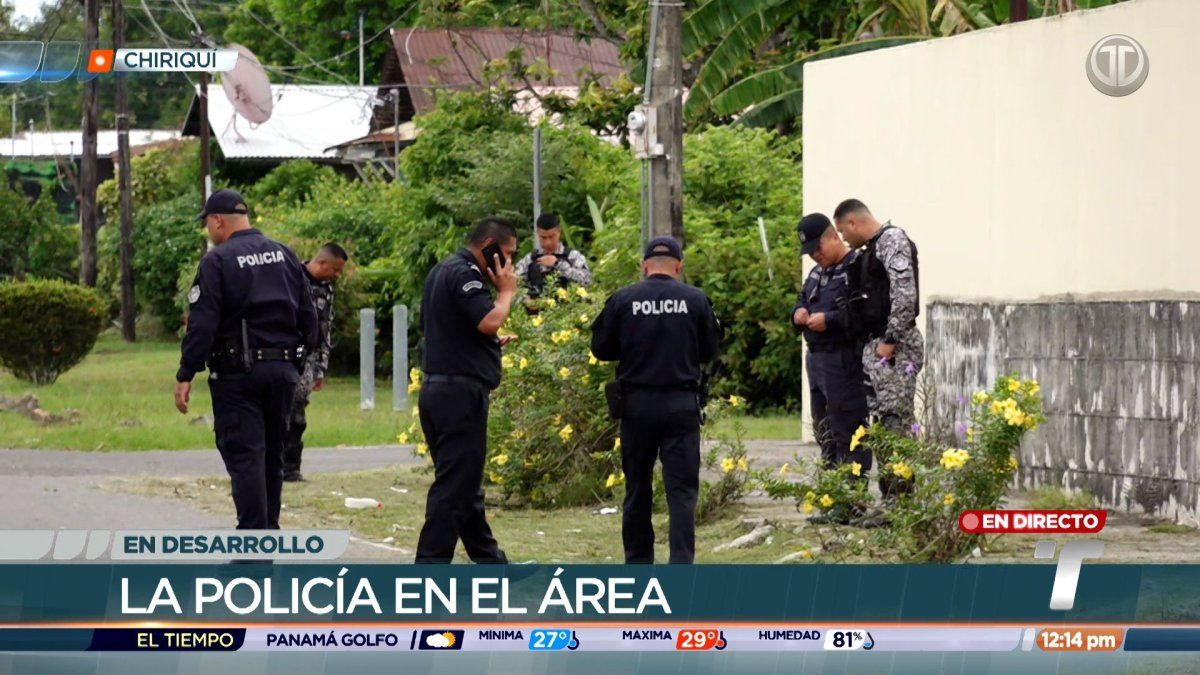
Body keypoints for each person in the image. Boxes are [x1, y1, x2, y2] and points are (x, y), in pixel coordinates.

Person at [174, 189, 317, 530]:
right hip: (282, 372)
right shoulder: (284, 255)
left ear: (218, 220)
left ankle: (252, 546)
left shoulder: (218, 261)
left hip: (238, 376)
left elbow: (203, 324)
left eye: (208, 223)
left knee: (245, 456)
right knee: (271, 456)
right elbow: (310, 320)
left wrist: (186, 371)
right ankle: (267, 534)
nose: (209, 231)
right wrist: (296, 365)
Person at [590, 236, 722, 564]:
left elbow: (600, 348)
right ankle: (680, 566)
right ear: (678, 267)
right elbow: (710, 350)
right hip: (681, 406)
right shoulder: (695, 299)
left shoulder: (623, 299)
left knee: (637, 490)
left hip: (637, 407)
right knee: (681, 494)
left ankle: (638, 566)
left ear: (644, 266)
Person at [415, 217, 520, 564]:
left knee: (463, 486)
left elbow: (446, 330)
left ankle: (492, 563)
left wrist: (484, 347)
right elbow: (489, 320)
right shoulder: (465, 273)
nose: (508, 265)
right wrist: (506, 293)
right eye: (506, 254)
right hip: (458, 396)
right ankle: (426, 575)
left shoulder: (442, 271)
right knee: (453, 488)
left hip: (442, 391)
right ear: (488, 245)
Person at [832, 198, 923, 496]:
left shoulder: (892, 240)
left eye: (843, 232)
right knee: (884, 423)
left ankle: (900, 501)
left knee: (895, 421)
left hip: (895, 349)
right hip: (878, 347)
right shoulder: (871, 250)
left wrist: (890, 340)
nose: (844, 239)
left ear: (853, 222)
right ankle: (891, 500)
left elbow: (904, 295)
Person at [792, 213, 871, 482]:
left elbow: (863, 313)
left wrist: (830, 321)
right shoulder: (817, 273)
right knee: (824, 429)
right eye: (809, 252)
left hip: (843, 359)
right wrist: (799, 313)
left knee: (848, 428)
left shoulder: (857, 267)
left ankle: (852, 497)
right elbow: (802, 298)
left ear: (834, 237)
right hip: (815, 360)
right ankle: (832, 493)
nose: (815, 255)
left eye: (818, 248)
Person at [282, 242, 349, 482]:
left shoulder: (328, 288)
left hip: (309, 357)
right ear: (321, 263)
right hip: (286, 354)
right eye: (335, 269)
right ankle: (276, 466)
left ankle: (291, 468)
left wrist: (321, 368)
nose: (337, 275)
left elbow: (325, 328)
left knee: (298, 412)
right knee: (284, 411)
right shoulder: (291, 278)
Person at [513, 212, 592, 299]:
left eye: (551, 237)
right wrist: (525, 298)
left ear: (559, 232)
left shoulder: (573, 256)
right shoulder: (530, 259)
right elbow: (514, 283)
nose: (548, 242)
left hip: (569, 308)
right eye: (543, 237)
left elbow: (587, 280)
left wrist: (559, 264)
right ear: (538, 233)